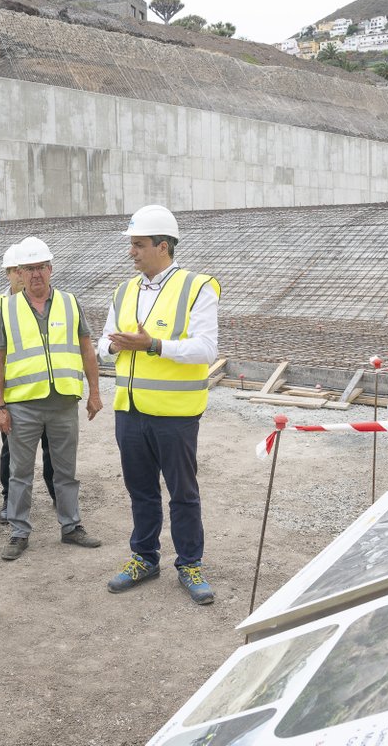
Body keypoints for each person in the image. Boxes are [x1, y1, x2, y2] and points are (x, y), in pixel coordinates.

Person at [98, 205, 220, 605]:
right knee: (141, 490)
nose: (131, 252)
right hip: (130, 411)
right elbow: (103, 345)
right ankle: (144, 558)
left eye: (138, 245)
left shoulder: (197, 287)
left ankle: (189, 563)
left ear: (163, 246)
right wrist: (115, 345)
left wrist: (153, 344)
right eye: (131, 244)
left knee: (183, 492)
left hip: (175, 414)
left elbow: (205, 348)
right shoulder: (124, 290)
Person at [0, 236, 103, 560]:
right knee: (20, 473)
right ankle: (18, 532)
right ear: (20, 273)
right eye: (29, 268)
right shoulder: (6, 309)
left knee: (66, 472)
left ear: (51, 269)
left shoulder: (70, 302)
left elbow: (85, 350)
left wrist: (94, 393)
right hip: (23, 405)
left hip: (64, 402)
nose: (36, 274)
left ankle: (71, 527)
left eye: (41, 267)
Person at [0, 243, 57, 524]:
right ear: (9, 273)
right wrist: (1, 399)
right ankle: (9, 500)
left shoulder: (51, 301)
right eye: (13, 270)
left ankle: (58, 497)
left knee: (53, 451)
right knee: (11, 452)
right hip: (15, 395)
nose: (19, 276)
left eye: (20, 270)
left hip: (49, 391)